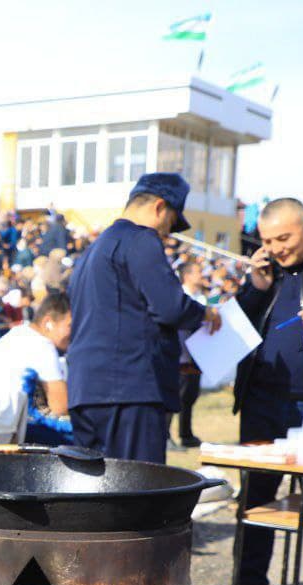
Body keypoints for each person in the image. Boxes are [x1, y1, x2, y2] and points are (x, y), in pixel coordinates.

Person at [67, 174, 221, 464]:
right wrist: (205, 313)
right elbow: (170, 307)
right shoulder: (140, 238)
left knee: (96, 495)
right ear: (160, 207)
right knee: (137, 493)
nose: (167, 234)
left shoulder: (92, 250)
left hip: (86, 390)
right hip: (129, 389)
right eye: (170, 224)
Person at [232, 198, 303, 585]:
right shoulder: (266, 276)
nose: (277, 248)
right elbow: (235, 333)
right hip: (262, 401)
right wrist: (255, 288)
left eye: (284, 237)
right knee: (256, 497)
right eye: (268, 241)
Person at [0, 290, 72, 421]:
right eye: (70, 325)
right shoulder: (41, 345)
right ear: (48, 322)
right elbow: (61, 407)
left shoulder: (20, 333)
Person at [176, 260, 210, 448]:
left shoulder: (201, 297)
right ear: (187, 275)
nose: (201, 275)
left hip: (197, 355)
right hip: (181, 355)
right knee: (178, 397)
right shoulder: (181, 296)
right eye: (198, 271)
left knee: (190, 396)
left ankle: (186, 434)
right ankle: (168, 436)